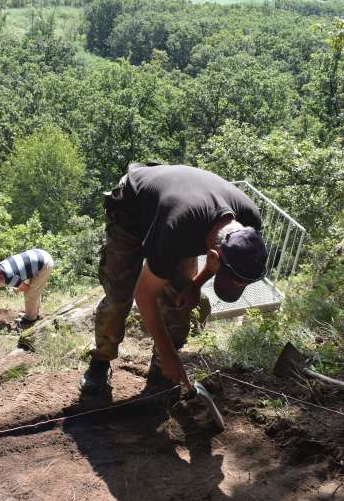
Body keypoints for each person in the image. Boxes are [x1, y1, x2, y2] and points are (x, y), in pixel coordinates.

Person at [80, 164, 268, 395]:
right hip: (131, 208)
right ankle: (100, 361)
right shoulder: (177, 228)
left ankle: (161, 371)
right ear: (213, 256)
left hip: (184, 214)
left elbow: (216, 259)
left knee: (180, 295)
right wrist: (169, 353)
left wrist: (196, 285)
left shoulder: (249, 225)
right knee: (120, 292)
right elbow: (144, 294)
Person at [0, 248, 54, 325]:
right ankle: (35, 314)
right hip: (38, 254)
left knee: (30, 293)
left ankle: (30, 320)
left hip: (44, 264)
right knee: (34, 290)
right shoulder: (0, 267)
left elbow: (26, 287)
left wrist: (17, 289)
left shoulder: (9, 277)